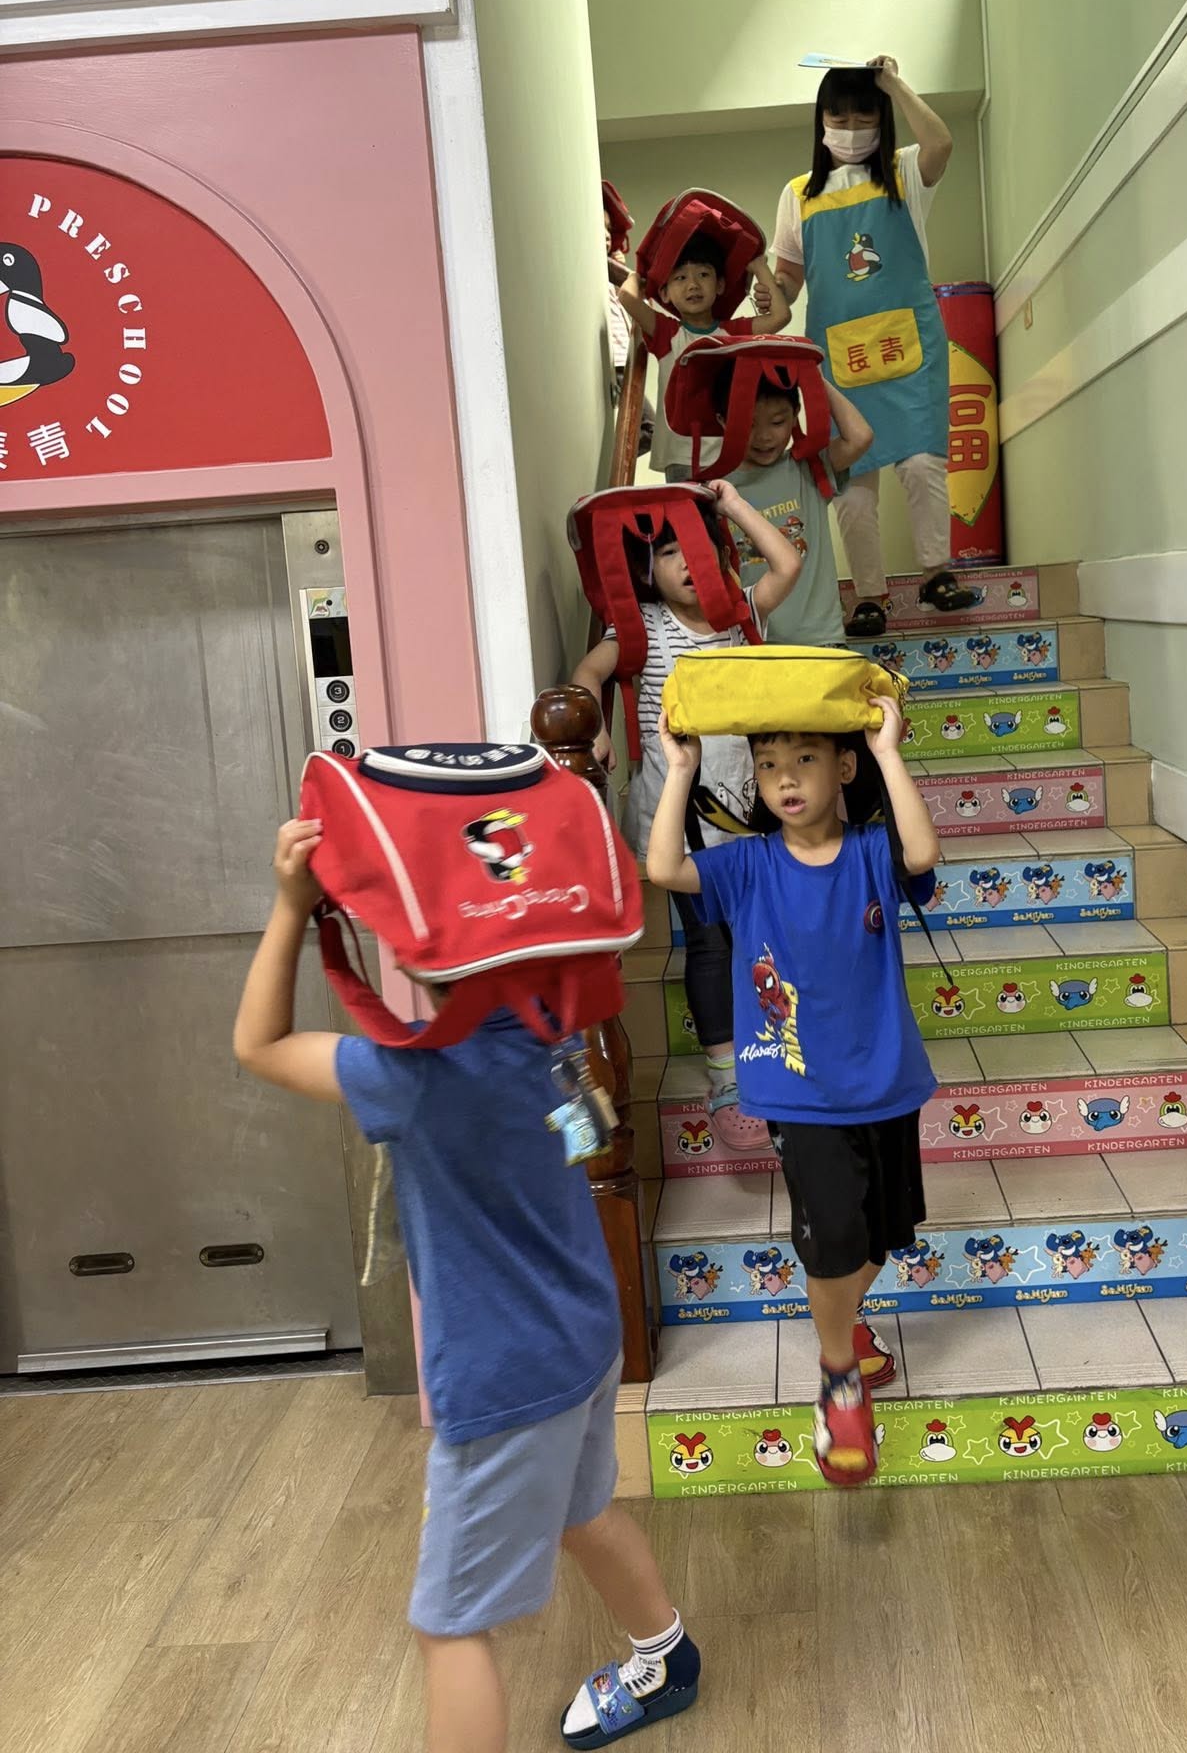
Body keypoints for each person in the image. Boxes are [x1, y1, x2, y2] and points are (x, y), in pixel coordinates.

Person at [233, 821, 699, 1753]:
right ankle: (666, 1655)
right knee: (582, 1511)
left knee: (448, 1627)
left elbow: (260, 1043)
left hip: (504, 1381)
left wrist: (291, 907)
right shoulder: (554, 1035)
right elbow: (580, 1140)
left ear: (417, 950)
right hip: (583, 1337)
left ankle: (665, 1656)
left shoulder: (410, 1076)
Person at [646, 693, 942, 1486]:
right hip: (798, 1091)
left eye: (804, 760)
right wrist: (680, 771)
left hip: (886, 1081)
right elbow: (665, 868)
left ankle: (848, 1324)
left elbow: (920, 852)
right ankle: (839, 1376)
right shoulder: (747, 865)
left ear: (841, 768)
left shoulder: (872, 851)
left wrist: (887, 752)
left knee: (883, 1236)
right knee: (835, 1235)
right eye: (769, 764)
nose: (784, 778)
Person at [570, 479, 801, 1149]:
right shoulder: (641, 627)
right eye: (669, 553)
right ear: (647, 570)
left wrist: (732, 505)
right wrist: (595, 728)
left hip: (750, 809)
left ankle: (774, 1052)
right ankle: (727, 1075)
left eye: (697, 549)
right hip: (679, 817)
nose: (686, 564)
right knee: (709, 942)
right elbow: (588, 673)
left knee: (761, 936)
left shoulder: (739, 615)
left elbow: (788, 564)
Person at [762, 55, 974, 636]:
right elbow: (789, 278)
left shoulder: (903, 172)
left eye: (864, 117)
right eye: (839, 117)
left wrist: (894, 84)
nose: (851, 129)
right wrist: (769, 293)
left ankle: (937, 573)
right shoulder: (798, 194)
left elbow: (942, 142)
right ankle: (870, 596)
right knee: (853, 493)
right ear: (821, 121)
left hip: (911, 347)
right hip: (838, 358)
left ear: (882, 120)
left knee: (923, 464)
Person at [719, 362, 874, 647]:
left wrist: (814, 379)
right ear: (723, 422)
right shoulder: (717, 491)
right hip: (752, 647)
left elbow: (860, 437)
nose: (764, 436)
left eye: (777, 422)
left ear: (795, 415)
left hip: (822, 642)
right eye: (749, 424)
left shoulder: (808, 468)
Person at [618, 228, 790, 480]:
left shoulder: (734, 332)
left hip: (731, 453)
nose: (693, 285)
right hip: (682, 457)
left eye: (703, 274)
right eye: (680, 278)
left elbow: (780, 316)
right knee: (690, 508)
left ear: (719, 285)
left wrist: (759, 267)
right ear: (665, 293)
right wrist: (641, 278)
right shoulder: (667, 333)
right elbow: (626, 297)